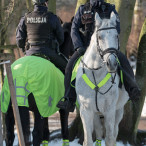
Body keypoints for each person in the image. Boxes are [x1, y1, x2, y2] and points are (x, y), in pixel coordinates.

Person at [57, 0, 141, 112]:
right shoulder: (83, 9)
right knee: (69, 67)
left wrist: (111, 46)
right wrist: (78, 46)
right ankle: (69, 99)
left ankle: (132, 91)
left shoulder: (110, 9)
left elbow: (117, 29)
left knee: (124, 63)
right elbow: (74, 29)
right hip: (85, 48)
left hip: (106, 48)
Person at [15, 0, 69, 145]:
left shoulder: (25, 18)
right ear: (45, 2)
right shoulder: (51, 17)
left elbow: (19, 40)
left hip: (30, 54)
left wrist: (26, 50)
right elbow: (61, 38)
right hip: (49, 53)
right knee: (68, 69)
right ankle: (68, 100)